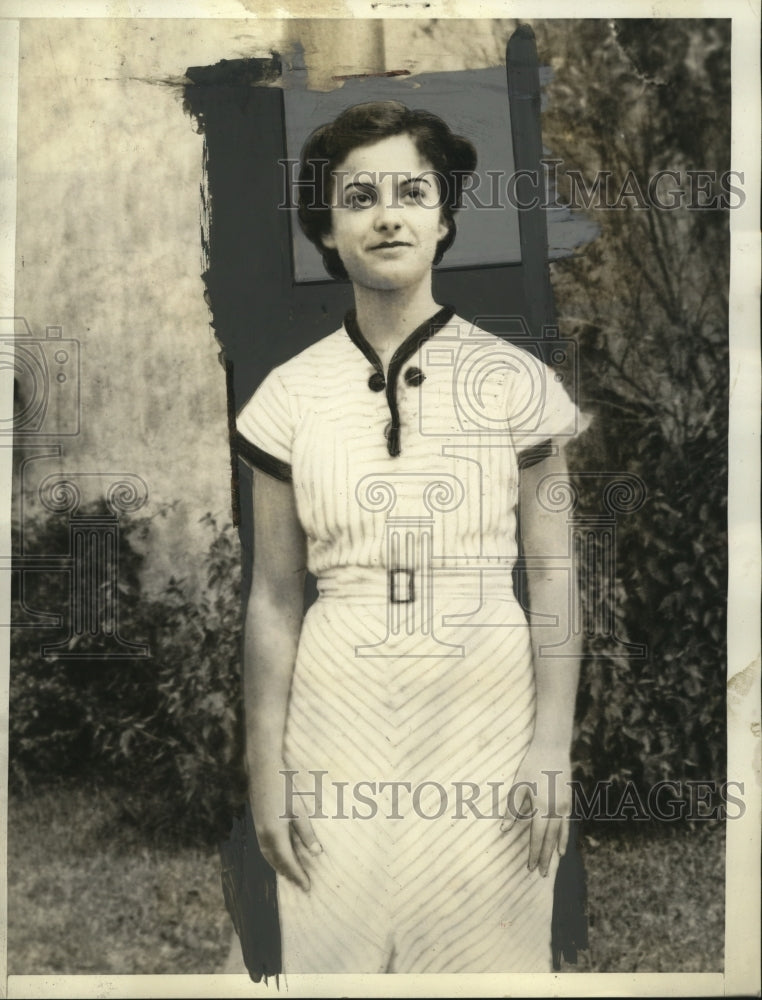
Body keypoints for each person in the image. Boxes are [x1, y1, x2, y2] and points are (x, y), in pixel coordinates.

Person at [233, 100, 587, 974]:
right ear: (326, 229)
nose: (387, 214)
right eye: (358, 196)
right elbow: (275, 599)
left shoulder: (513, 381)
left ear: (444, 218)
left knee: (486, 961)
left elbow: (553, 577)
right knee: (335, 959)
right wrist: (266, 770)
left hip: (485, 711)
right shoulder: (289, 396)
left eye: (411, 192)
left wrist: (551, 746)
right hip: (335, 710)